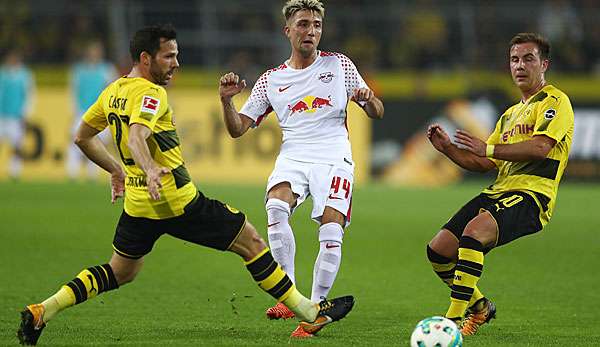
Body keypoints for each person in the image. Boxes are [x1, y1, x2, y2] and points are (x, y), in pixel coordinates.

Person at [17, 24, 355, 346]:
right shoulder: (153, 95)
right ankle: (310, 311)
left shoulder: (115, 90)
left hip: (138, 206)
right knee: (250, 240)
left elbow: (83, 136)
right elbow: (137, 136)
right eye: (169, 56)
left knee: (119, 271)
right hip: (176, 201)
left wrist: (117, 171)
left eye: (177, 55)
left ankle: (42, 310)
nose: (176, 64)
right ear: (146, 59)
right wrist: (149, 168)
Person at [218, 0, 383, 338]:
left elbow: (377, 111)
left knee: (331, 228)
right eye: (304, 24)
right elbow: (238, 129)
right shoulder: (271, 80)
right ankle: (289, 295)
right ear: (288, 30)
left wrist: (367, 99)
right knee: (276, 208)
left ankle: (317, 309)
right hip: (293, 156)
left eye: (317, 25)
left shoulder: (339, 65)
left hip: (334, 156)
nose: (311, 31)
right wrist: (226, 101)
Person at [426, 32, 574, 336]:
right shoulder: (509, 115)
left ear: (544, 64)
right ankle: (481, 308)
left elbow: (541, 148)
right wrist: (448, 150)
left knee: (473, 234)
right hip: (498, 191)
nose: (520, 65)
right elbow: (484, 163)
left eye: (528, 58)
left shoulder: (555, 101)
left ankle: (451, 323)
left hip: (533, 196)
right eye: (514, 59)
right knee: (439, 251)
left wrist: (488, 148)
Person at [66, 41, 118, 180]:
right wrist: (73, 110)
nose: (94, 54)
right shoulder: (78, 70)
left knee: (100, 144)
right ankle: (72, 173)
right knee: (76, 140)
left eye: (97, 51)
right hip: (82, 112)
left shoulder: (107, 69)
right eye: (92, 51)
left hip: (101, 113)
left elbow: (113, 89)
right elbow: (73, 91)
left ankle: (93, 174)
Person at [0, 49, 34, 180]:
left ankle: (15, 172)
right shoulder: (2, 74)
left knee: (17, 145)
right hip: (2, 115)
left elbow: (29, 95)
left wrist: (25, 113)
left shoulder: (25, 75)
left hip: (16, 116)